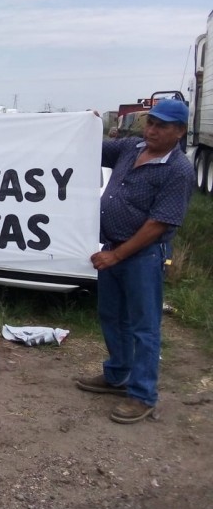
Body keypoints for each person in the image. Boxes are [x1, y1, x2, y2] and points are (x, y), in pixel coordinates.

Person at [76, 99, 195, 424]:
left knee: (144, 327)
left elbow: (159, 224)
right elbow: (90, 150)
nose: (153, 130)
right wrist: (87, 125)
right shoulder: (131, 147)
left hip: (140, 257)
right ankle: (117, 376)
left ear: (180, 131)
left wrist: (117, 254)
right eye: (151, 123)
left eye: (162, 126)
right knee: (112, 316)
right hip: (111, 249)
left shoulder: (178, 170)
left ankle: (143, 395)